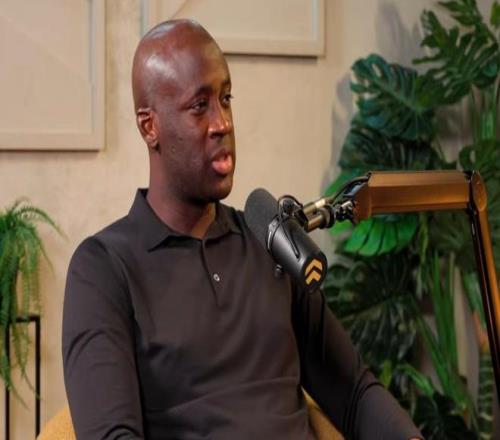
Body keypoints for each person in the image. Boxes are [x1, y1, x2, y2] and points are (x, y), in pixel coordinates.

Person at [62, 19, 423, 440]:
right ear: (149, 126)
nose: (223, 123)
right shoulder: (103, 268)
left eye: (226, 99)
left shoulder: (268, 241)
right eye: (199, 106)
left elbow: (355, 393)